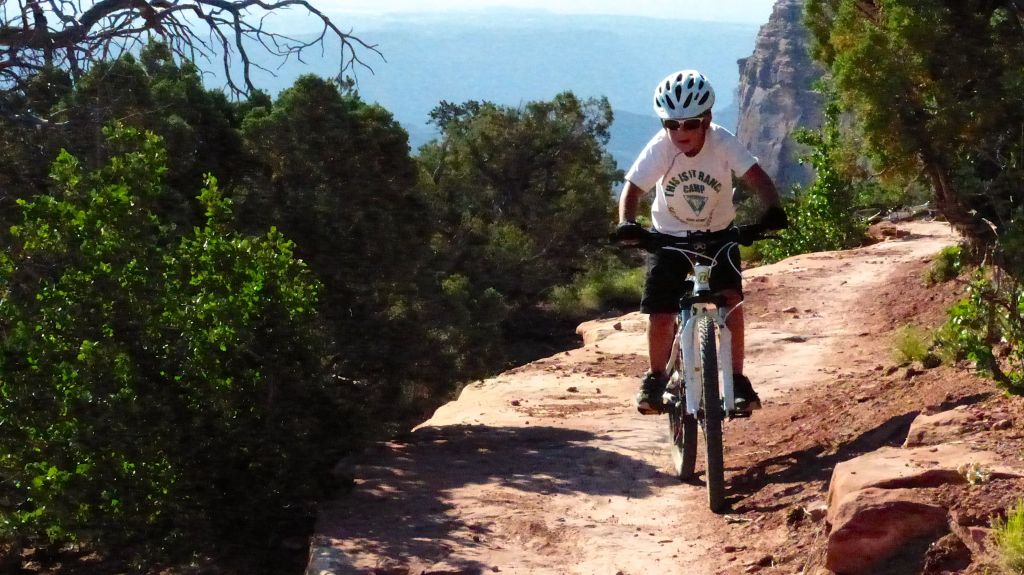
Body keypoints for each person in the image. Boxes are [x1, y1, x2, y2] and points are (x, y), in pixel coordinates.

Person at [614, 69, 788, 415]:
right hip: (669, 236)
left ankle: (736, 379)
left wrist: (772, 211)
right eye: (671, 124)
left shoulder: (723, 143)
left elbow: (757, 178)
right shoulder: (662, 148)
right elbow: (632, 188)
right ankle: (655, 376)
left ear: (707, 119)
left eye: (690, 123)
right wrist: (627, 223)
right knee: (661, 312)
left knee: (731, 301)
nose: (680, 132)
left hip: (718, 236)